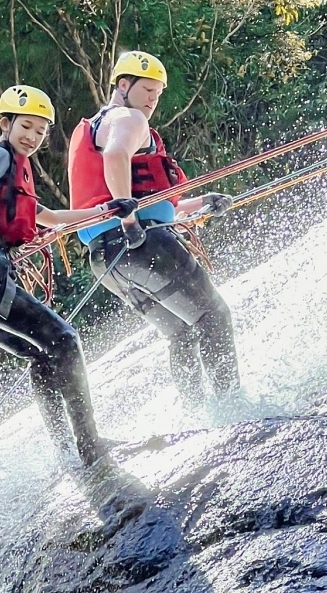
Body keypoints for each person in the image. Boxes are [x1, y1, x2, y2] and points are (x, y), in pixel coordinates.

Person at [0, 85, 136, 467]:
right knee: (65, 339)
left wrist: (108, 211)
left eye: (41, 131)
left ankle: (66, 451)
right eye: (26, 126)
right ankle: (90, 447)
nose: (33, 137)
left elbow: (53, 219)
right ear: (5, 123)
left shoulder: (10, 170)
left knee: (42, 354)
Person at [67, 51, 240, 408]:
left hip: (106, 259)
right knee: (214, 316)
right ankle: (232, 407)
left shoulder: (91, 127)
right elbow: (117, 160)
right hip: (141, 242)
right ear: (123, 85)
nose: (152, 99)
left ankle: (195, 411)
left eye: (158, 93)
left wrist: (201, 202)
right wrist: (130, 222)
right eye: (147, 89)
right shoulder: (128, 118)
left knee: (181, 333)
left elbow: (151, 201)